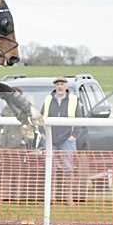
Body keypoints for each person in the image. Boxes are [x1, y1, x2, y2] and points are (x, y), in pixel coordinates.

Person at [41, 77, 84, 205]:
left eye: (62, 84)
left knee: (68, 168)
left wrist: (74, 135)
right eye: (57, 84)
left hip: (67, 139)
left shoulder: (73, 100)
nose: (60, 87)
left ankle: (69, 197)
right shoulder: (48, 99)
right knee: (51, 168)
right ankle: (51, 197)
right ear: (54, 86)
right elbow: (41, 116)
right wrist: (43, 133)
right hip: (50, 138)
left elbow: (80, 119)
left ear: (66, 86)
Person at [0, 89, 37, 201]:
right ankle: (3, 199)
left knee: (18, 173)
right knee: (5, 174)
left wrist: (24, 141)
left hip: (18, 148)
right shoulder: (6, 109)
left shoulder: (26, 109)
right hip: (5, 146)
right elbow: (1, 127)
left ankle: (17, 199)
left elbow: (32, 128)